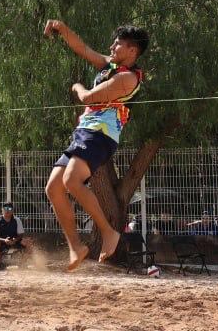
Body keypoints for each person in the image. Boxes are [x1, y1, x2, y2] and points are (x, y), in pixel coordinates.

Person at [42, 19, 148, 270]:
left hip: (100, 135)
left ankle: (109, 233)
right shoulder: (110, 65)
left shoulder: (128, 79)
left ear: (132, 51)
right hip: (85, 132)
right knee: (53, 189)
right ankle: (75, 246)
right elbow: (83, 49)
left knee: (71, 181)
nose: (112, 46)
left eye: (118, 44)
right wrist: (61, 27)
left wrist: (77, 87)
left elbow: (89, 97)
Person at [0, 202, 25, 269]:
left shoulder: (17, 220)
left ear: (12, 210)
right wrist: (4, 240)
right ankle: (0, 264)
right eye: (5, 208)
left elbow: (21, 234)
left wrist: (15, 240)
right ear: (2, 210)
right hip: (1, 242)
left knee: (28, 241)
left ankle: (23, 263)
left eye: (10, 208)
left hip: (14, 241)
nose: (7, 210)